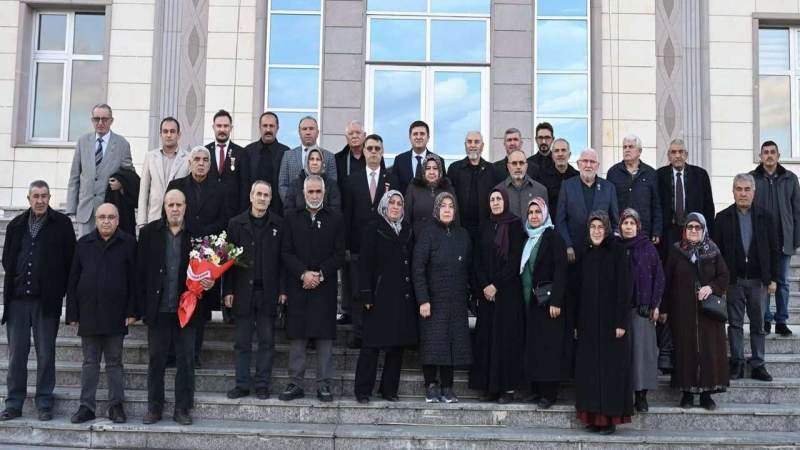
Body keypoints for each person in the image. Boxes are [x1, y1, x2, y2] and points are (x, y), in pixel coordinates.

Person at [0, 180, 76, 422]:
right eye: (36, 196)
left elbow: (70, 261)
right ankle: (14, 403)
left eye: (44, 196)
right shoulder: (16, 225)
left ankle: (44, 402)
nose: (40, 200)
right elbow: (7, 259)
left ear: (50, 197)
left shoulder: (62, 224)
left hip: (46, 302)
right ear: (29, 199)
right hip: (17, 301)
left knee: (46, 354)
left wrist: (58, 289)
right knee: (16, 355)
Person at [138, 189, 210, 425]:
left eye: (179, 205)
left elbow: (207, 270)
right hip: (158, 309)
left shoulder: (198, 235)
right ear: (164, 207)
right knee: (156, 360)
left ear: (185, 207)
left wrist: (208, 282)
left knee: (186, 361)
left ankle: (182, 409)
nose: (175, 209)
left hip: (187, 310)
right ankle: (154, 408)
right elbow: (140, 271)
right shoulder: (148, 233)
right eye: (171, 205)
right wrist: (140, 307)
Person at [66, 203, 138, 424]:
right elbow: (73, 279)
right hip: (89, 312)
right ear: (96, 220)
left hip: (117, 314)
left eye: (111, 217)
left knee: (114, 363)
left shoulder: (128, 243)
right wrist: (72, 313)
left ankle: (116, 406)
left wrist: (133, 311)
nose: (106, 221)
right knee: (90, 363)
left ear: (118, 220)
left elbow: (135, 280)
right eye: (102, 217)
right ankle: (86, 407)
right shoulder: (83, 243)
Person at [279, 175, 345, 402]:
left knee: (324, 336)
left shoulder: (336, 218)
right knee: (297, 334)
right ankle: (295, 383)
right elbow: (286, 251)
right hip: (298, 285)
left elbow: (339, 254)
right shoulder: (291, 218)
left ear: (324, 193)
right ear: (303, 193)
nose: (314, 196)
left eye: (318, 192)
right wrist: (303, 273)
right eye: (311, 192)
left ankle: (324, 384)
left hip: (324, 287)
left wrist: (320, 274)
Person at [223, 181, 286, 400]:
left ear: (270, 199)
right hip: (242, 292)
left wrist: (283, 290)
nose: (262, 198)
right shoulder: (235, 224)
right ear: (251, 197)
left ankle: (262, 385)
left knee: (267, 342)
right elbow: (227, 262)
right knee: (242, 342)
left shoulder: (279, 224)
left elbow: (283, 261)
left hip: (268, 292)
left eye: (266, 195)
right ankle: (242, 385)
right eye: (258, 194)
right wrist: (227, 291)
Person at [166, 146, 229, 366]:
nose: (201, 163)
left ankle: (193, 355)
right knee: (176, 299)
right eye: (197, 159)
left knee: (199, 306)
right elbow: (170, 214)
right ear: (190, 163)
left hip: (205, 254)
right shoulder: (176, 186)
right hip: (179, 248)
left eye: (205, 160)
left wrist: (203, 234)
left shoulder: (221, 189)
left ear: (210, 165)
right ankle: (172, 353)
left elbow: (225, 220)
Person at [712, 173, 778, 382]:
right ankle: (737, 363)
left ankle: (758, 364)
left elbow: (774, 249)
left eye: (747, 189)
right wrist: (720, 281)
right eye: (739, 189)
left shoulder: (766, 217)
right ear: (733, 192)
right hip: (734, 281)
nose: (743, 193)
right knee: (735, 324)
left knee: (758, 325)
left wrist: (774, 279)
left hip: (759, 281)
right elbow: (716, 253)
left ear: (753, 192)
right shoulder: (722, 218)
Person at [353, 190, 417, 403]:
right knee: (371, 345)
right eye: (392, 203)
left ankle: (389, 389)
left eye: (399, 203)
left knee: (396, 346)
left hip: (402, 297)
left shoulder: (407, 230)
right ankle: (363, 390)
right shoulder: (373, 229)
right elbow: (364, 265)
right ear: (384, 205)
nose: (396, 207)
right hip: (378, 296)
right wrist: (366, 295)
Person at [661, 213, 730, 410]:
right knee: (686, 351)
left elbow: (724, 275)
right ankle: (687, 394)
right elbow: (667, 281)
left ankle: (707, 395)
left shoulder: (713, 250)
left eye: (697, 227)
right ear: (684, 230)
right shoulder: (676, 251)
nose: (693, 230)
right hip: (683, 312)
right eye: (689, 227)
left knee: (709, 351)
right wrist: (664, 309)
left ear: (703, 229)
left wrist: (711, 287)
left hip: (709, 314)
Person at [574, 211, 632, 435]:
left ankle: (608, 419)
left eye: (600, 227)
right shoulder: (585, 252)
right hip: (589, 324)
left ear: (607, 229)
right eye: (593, 227)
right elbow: (578, 290)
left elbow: (624, 288)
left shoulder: (618, 251)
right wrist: (577, 322)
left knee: (610, 372)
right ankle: (592, 416)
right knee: (590, 371)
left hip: (611, 324)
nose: (596, 231)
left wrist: (620, 322)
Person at [413, 192, 472, 403]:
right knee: (432, 342)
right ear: (436, 210)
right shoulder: (427, 233)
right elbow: (418, 268)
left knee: (451, 343)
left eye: (451, 206)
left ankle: (448, 386)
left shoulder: (463, 235)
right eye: (443, 206)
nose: (447, 209)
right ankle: (431, 385)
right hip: (432, 300)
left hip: (456, 300)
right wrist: (423, 300)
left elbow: (469, 268)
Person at [341, 134, 398, 346]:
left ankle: (378, 332)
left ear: (382, 152)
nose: (373, 152)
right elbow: (347, 214)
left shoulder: (392, 179)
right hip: (358, 246)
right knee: (358, 290)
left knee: (380, 290)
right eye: (370, 148)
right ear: (363, 151)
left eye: (377, 148)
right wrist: (346, 245)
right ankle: (359, 333)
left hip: (384, 245)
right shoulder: (352, 179)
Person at [469, 189, 525, 403]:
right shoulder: (484, 226)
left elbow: (515, 259)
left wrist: (496, 285)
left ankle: (506, 389)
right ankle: (489, 387)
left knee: (505, 340)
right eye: (492, 199)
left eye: (498, 199)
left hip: (508, 292)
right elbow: (477, 259)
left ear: (505, 201)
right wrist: (485, 285)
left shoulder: (515, 225)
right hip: (487, 295)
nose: (495, 202)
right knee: (487, 339)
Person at [520, 197, 570, 409]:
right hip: (532, 303)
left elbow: (561, 271)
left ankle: (549, 394)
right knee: (536, 348)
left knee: (549, 349)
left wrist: (556, 301)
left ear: (545, 214)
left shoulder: (553, 237)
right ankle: (537, 389)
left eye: (537, 212)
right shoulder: (529, 238)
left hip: (548, 303)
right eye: (530, 213)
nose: (534, 216)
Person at [751, 140, 800, 336]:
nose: (769, 155)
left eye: (773, 152)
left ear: (778, 156)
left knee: (783, 282)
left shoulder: (790, 178)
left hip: (784, 239)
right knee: (764, 281)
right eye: (766, 152)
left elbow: (797, 211)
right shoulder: (752, 178)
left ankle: (781, 320)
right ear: (760, 157)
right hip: (761, 240)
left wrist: (796, 238)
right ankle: (765, 320)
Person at [619, 208, 665, 412]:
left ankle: (641, 396)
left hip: (642, 309)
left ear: (638, 226)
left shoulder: (648, 248)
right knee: (623, 354)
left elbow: (659, 277)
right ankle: (623, 395)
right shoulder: (616, 247)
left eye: (632, 223)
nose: (628, 227)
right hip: (620, 310)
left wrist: (655, 305)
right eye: (625, 223)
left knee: (641, 355)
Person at [67, 104, 134, 236]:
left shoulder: (122, 144)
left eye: (104, 119)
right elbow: (75, 176)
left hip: (109, 211)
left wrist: (121, 184)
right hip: (86, 211)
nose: (100, 123)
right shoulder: (82, 142)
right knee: (86, 246)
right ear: (92, 120)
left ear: (111, 121)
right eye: (96, 119)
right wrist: (71, 208)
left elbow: (130, 175)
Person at [555, 148, 619, 264]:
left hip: (601, 251)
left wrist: (612, 246)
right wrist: (568, 245)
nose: (588, 165)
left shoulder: (609, 188)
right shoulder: (567, 186)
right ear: (578, 164)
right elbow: (560, 220)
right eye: (585, 161)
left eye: (592, 162)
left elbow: (615, 221)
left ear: (597, 166)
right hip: (574, 252)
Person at [656, 138, 715, 258]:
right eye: (673, 152)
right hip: (668, 232)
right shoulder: (659, 175)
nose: (677, 155)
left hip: (694, 230)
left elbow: (709, 207)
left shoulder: (700, 175)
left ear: (686, 155)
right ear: (668, 156)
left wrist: (705, 232)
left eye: (681, 152)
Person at [607, 135, 662, 243]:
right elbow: (608, 204)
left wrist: (657, 231)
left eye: (631, 147)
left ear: (639, 151)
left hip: (644, 232)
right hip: (620, 232)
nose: (627, 150)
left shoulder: (650, 173)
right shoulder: (613, 172)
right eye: (624, 147)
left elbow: (656, 205)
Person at [137, 117, 190, 229]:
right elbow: (144, 192)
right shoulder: (150, 157)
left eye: (172, 131)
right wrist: (142, 222)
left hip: (179, 220)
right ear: (160, 134)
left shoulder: (188, 158)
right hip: (154, 218)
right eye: (165, 131)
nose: (169, 135)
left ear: (179, 135)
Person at [447, 131, 500, 240]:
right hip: (459, 228)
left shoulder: (492, 170)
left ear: (482, 146)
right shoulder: (454, 169)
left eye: (476, 142)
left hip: (485, 230)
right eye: (469, 142)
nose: (472, 145)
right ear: (465, 145)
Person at [239, 112, 290, 215]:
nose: (268, 130)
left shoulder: (286, 152)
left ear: (277, 128)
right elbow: (243, 184)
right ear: (259, 128)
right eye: (265, 126)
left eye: (271, 126)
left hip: (278, 213)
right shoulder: (248, 152)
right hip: (251, 213)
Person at [277, 116, 337, 205]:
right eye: (304, 129)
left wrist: (318, 207)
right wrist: (291, 205)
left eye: (311, 129)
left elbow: (333, 186)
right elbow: (283, 185)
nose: (308, 132)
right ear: (299, 132)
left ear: (318, 132)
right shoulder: (288, 156)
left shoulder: (329, 157)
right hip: (295, 210)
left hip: (322, 209)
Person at [205, 109, 246, 219]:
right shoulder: (205, 152)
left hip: (233, 214)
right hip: (209, 212)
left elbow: (244, 186)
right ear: (213, 127)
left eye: (226, 126)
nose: (222, 129)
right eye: (219, 126)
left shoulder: (241, 153)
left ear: (231, 128)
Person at [404, 153, 456, 238]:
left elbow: (455, 217)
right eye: (428, 168)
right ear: (423, 170)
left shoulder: (447, 188)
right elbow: (406, 216)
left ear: (440, 171)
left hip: (442, 240)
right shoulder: (413, 188)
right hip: (418, 238)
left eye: (435, 168)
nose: (431, 172)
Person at [494, 149, 548, 220]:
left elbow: (545, 220)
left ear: (526, 166)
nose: (518, 167)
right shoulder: (498, 191)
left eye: (521, 163)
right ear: (508, 167)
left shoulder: (541, 190)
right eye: (514, 163)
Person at [284, 147, 341, 212]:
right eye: (311, 159)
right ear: (307, 162)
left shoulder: (331, 185)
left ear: (323, 163)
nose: (315, 163)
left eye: (318, 159)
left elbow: (335, 210)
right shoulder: (295, 184)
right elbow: (288, 210)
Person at [393, 120, 440, 196]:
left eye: (422, 134)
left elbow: (442, 190)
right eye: (415, 134)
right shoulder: (399, 160)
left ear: (428, 137)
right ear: (410, 137)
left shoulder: (438, 160)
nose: (418, 137)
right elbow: (395, 189)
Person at [538, 138, 578, 216]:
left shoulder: (578, 177)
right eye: (556, 151)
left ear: (569, 154)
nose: (560, 154)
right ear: (552, 155)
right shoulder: (542, 177)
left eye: (563, 150)